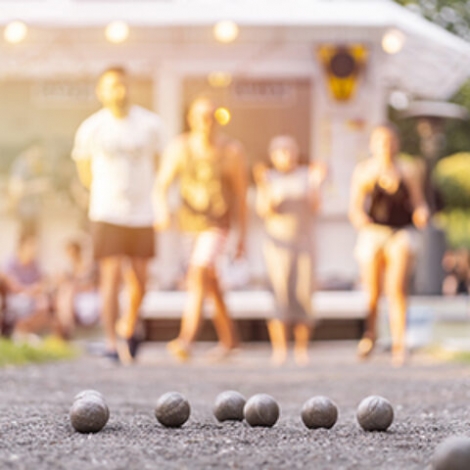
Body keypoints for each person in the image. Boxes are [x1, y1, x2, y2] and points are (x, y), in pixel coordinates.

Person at [71, 66, 166, 363]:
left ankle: (129, 327)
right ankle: (112, 342)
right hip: (107, 211)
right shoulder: (91, 128)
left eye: (122, 85)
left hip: (141, 213)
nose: (118, 91)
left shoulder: (150, 124)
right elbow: (84, 172)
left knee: (139, 279)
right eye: (111, 86)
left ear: (129, 87)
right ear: (101, 91)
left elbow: (161, 164)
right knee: (110, 276)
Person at [155, 97, 247, 361]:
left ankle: (186, 339)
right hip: (189, 225)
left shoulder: (231, 151)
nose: (206, 122)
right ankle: (230, 341)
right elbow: (161, 185)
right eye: (200, 116)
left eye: (210, 117)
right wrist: (162, 210)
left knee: (197, 273)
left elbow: (241, 197)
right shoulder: (179, 148)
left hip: (219, 224)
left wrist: (242, 237)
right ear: (191, 119)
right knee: (210, 281)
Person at [349, 124, 429, 366]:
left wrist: (421, 213)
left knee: (397, 289)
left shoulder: (408, 170)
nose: (387, 146)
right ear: (373, 144)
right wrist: (360, 220)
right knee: (372, 292)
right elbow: (354, 207)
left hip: (399, 233)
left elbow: (418, 202)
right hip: (374, 232)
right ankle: (370, 335)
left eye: (391, 141)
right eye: (382, 141)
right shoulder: (365, 171)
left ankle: (399, 343)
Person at [254, 135, 325, 366]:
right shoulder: (269, 178)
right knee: (279, 294)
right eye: (281, 151)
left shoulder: (307, 176)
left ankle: (302, 349)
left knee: (304, 294)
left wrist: (317, 183)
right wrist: (264, 186)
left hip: (304, 242)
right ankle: (280, 349)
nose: (286, 155)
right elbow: (264, 210)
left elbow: (316, 207)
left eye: (289, 150)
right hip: (277, 245)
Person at [3, 233, 54, 338]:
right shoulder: (10, 262)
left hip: (32, 296)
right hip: (16, 297)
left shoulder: (35, 264)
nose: (34, 249)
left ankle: (23, 330)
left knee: (44, 305)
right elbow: (14, 286)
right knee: (24, 304)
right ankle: (21, 331)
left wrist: (38, 290)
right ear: (22, 246)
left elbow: (42, 282)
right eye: (31, 246)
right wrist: (31, 290)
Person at [54, 240, 100, 339]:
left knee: (67, 292)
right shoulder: (67, 268)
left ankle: (66, 326)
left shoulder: (88, 265)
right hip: (72, 295)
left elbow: (93, 283)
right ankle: (65, 325)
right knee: (66, 291)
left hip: (87, 294)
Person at [8, 141, 50, 236]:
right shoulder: (21, 165)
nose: (39, 157)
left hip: (33, 212)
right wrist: (37, 186)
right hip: (24, 212)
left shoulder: (36, 165)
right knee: (26, 242)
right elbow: (16, 189)